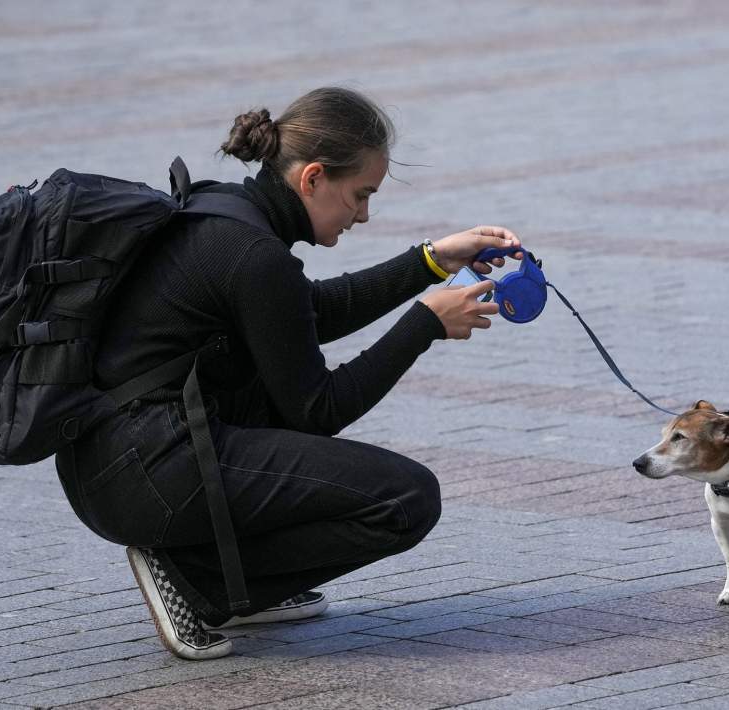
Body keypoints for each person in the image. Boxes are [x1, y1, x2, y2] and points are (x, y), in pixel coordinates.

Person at [54, 86, 522, 660]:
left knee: (278, 398)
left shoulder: (226, 210)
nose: (364, 214)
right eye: (360, 195)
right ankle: (199, 576)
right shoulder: (255, 254)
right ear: (314, 177)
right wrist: (423, 324)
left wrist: (430, 261)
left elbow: (303, 316)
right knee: (407, 499)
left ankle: (239, 576)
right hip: (148, 472)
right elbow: (318, 409)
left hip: (116, 460)